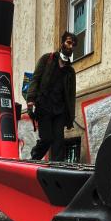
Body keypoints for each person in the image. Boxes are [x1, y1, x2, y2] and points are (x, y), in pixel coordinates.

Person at [26, 31, 77, 162]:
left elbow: (71, 96)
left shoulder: (70, 71)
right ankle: (34, 157)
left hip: (59, 111)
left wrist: (70, 117)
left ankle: (57, 169)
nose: (71, 46)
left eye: (73, 44)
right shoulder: (47, 59)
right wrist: (31, 101)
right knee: (47, 138)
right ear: (62, 43)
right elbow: (35, 80)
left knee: (59, 142)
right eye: (69, 42)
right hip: (44, 107)